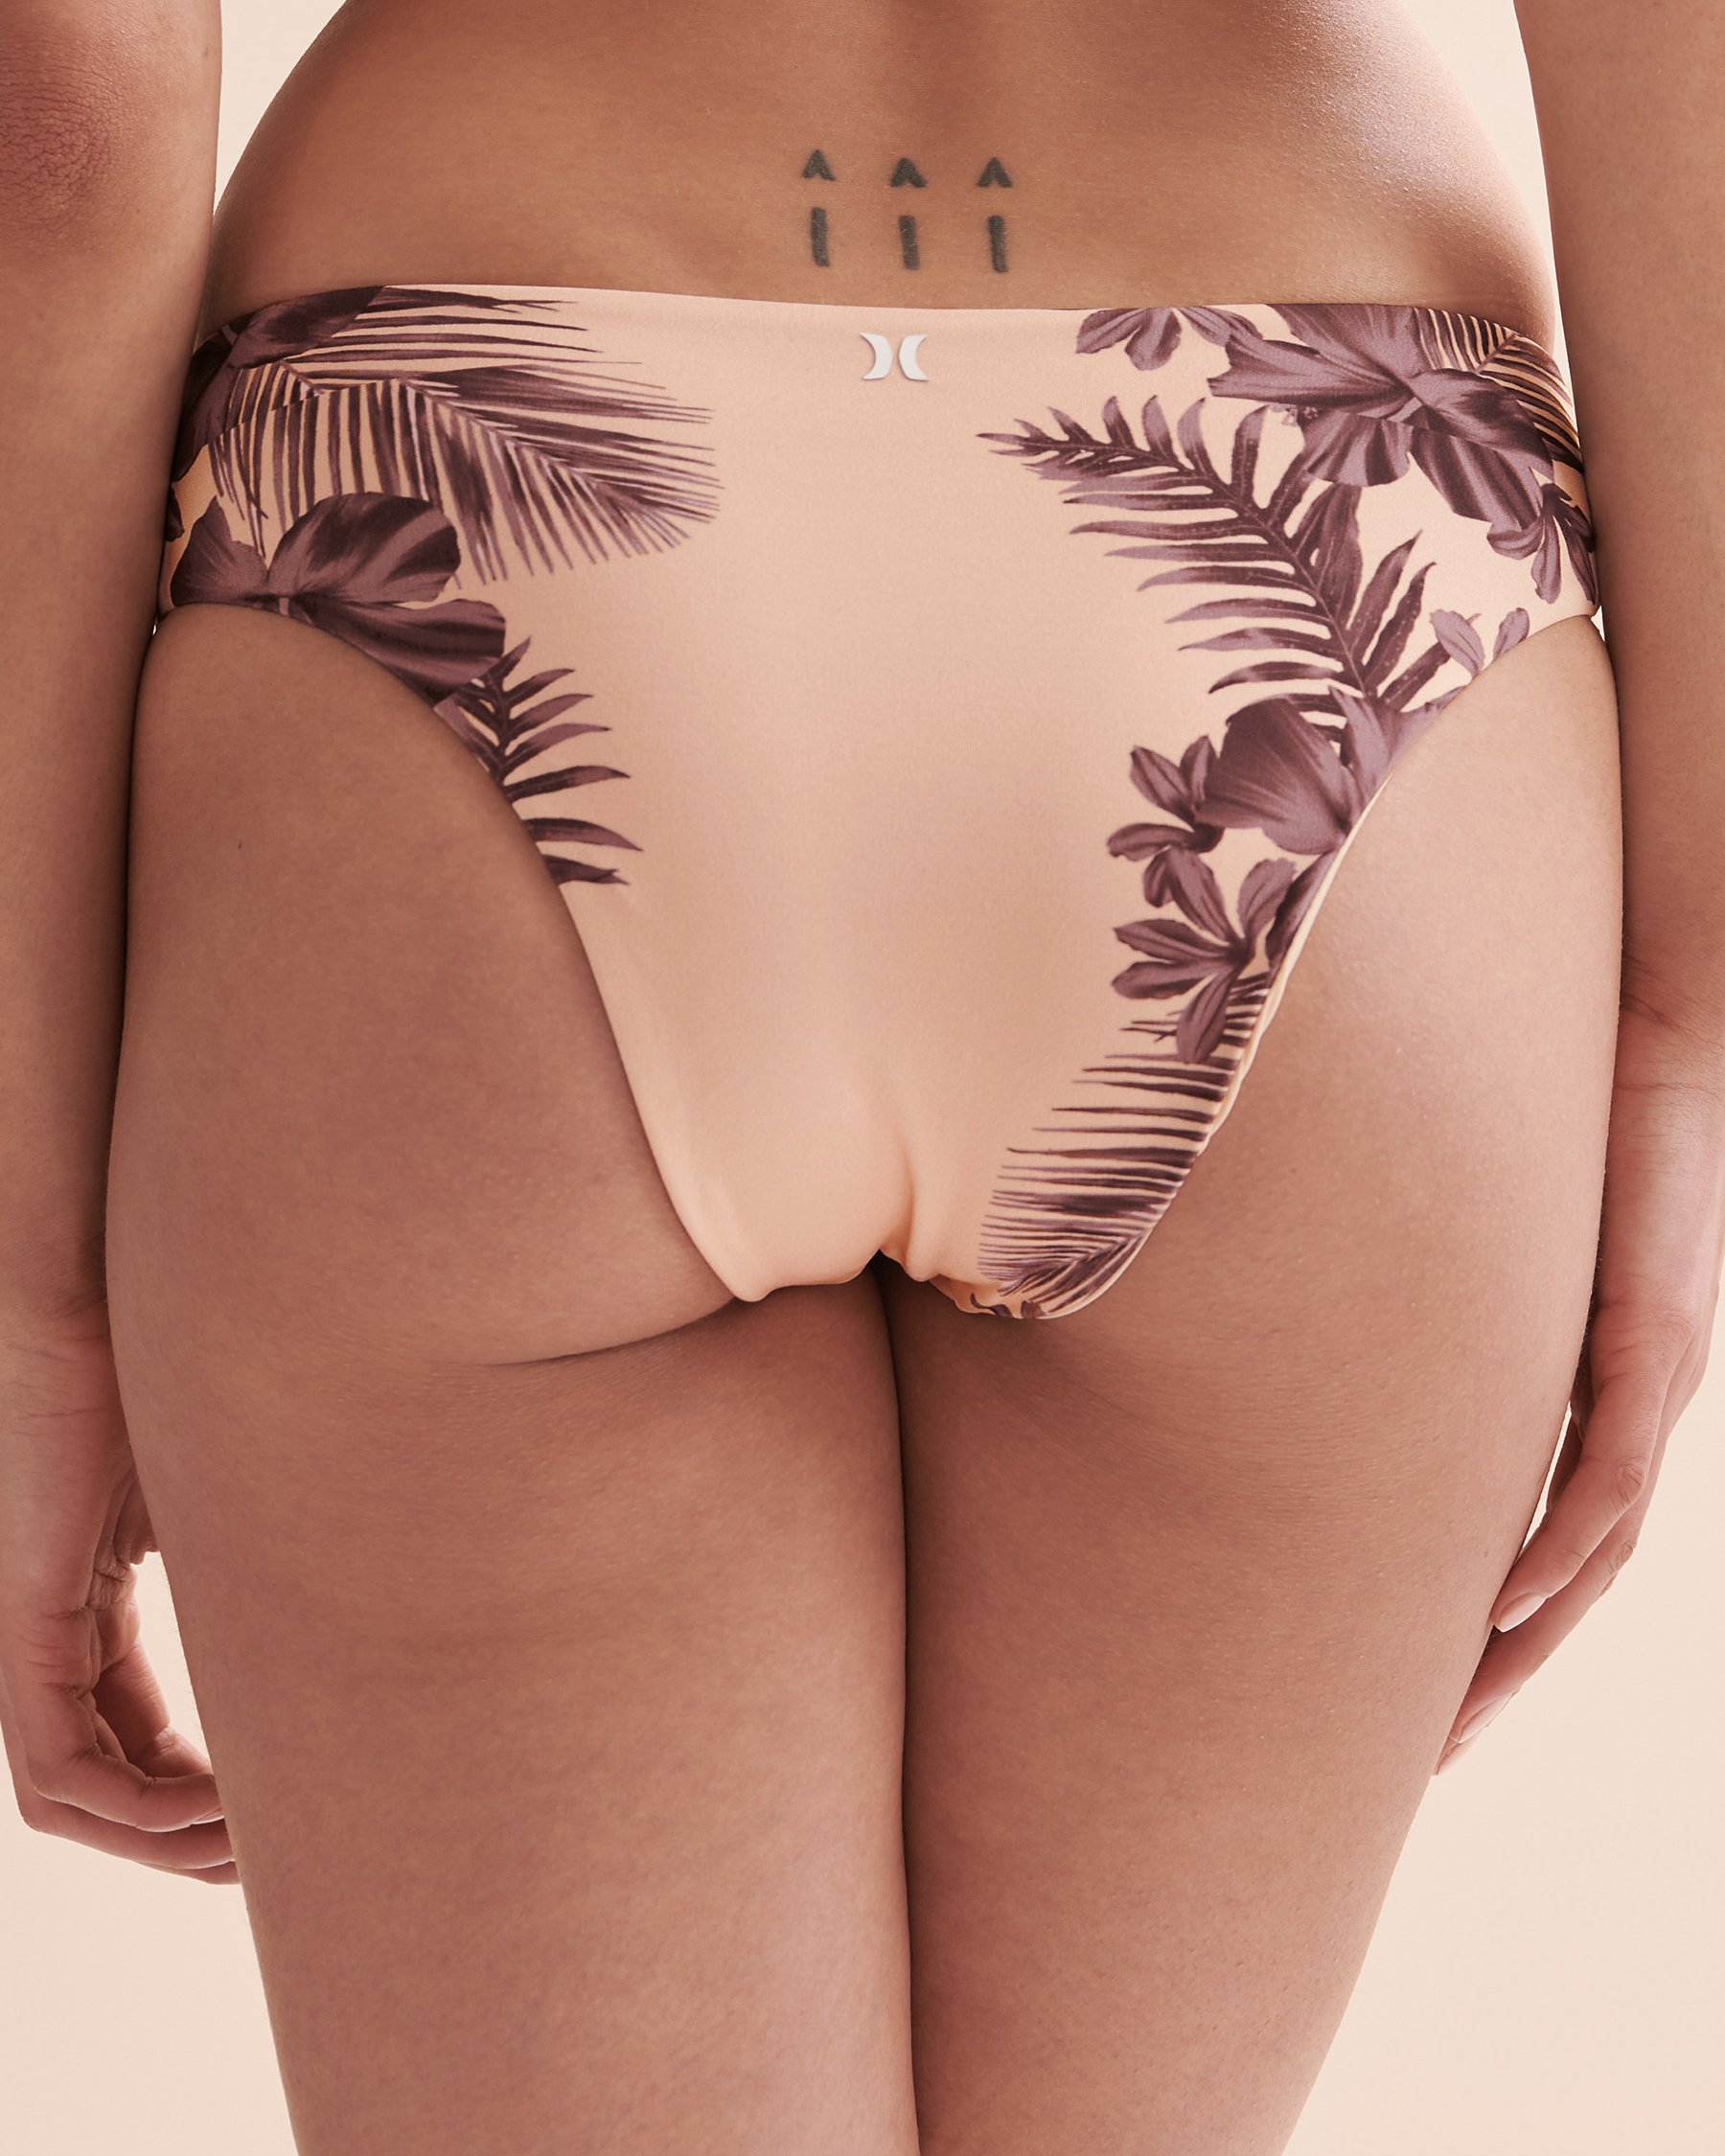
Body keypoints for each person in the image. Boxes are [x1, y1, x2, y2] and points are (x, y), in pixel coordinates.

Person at [2, 2, 1719, 2149]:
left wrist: (38, 1280)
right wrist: (1689, 1014)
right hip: (1318, 499)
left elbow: (61, 120)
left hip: (473, 455)